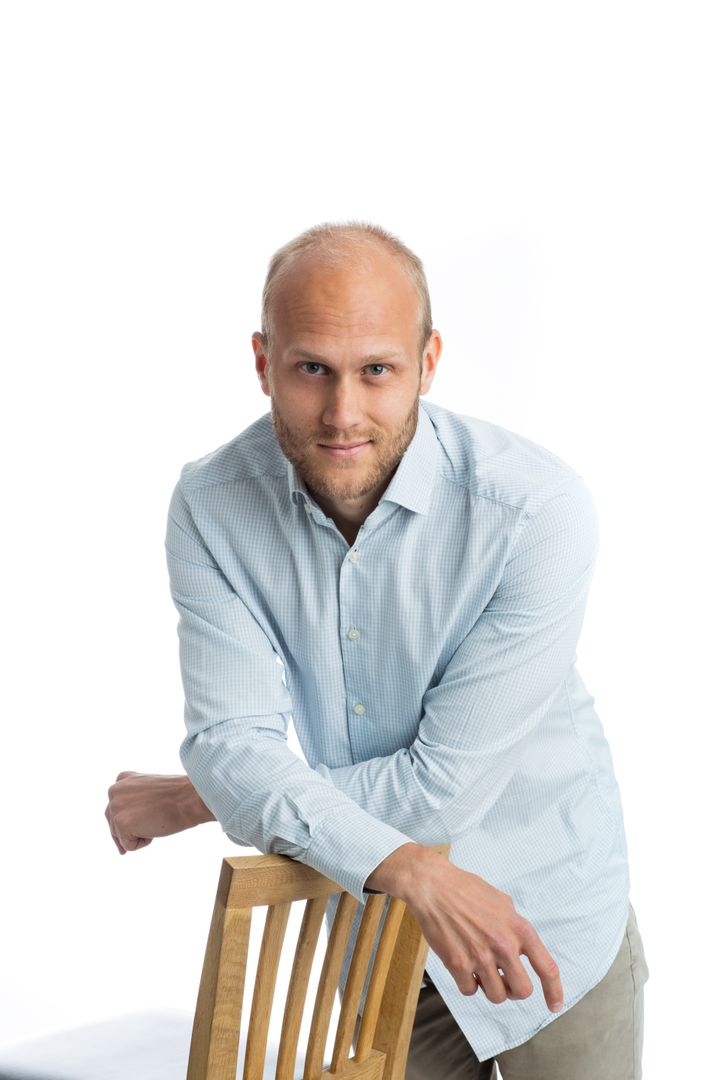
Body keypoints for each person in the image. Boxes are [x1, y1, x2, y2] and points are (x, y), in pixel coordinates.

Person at [105, 221, 648, 1079]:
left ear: (428, 363)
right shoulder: (212, 505)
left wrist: (207, 795)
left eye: (378, 371)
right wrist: (406, 870)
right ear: (263, 362)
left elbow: (440, 789)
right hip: (371, 928)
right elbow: (231, 743)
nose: (343, 413)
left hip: (547, 922)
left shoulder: (535, 511)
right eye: (311, 368)